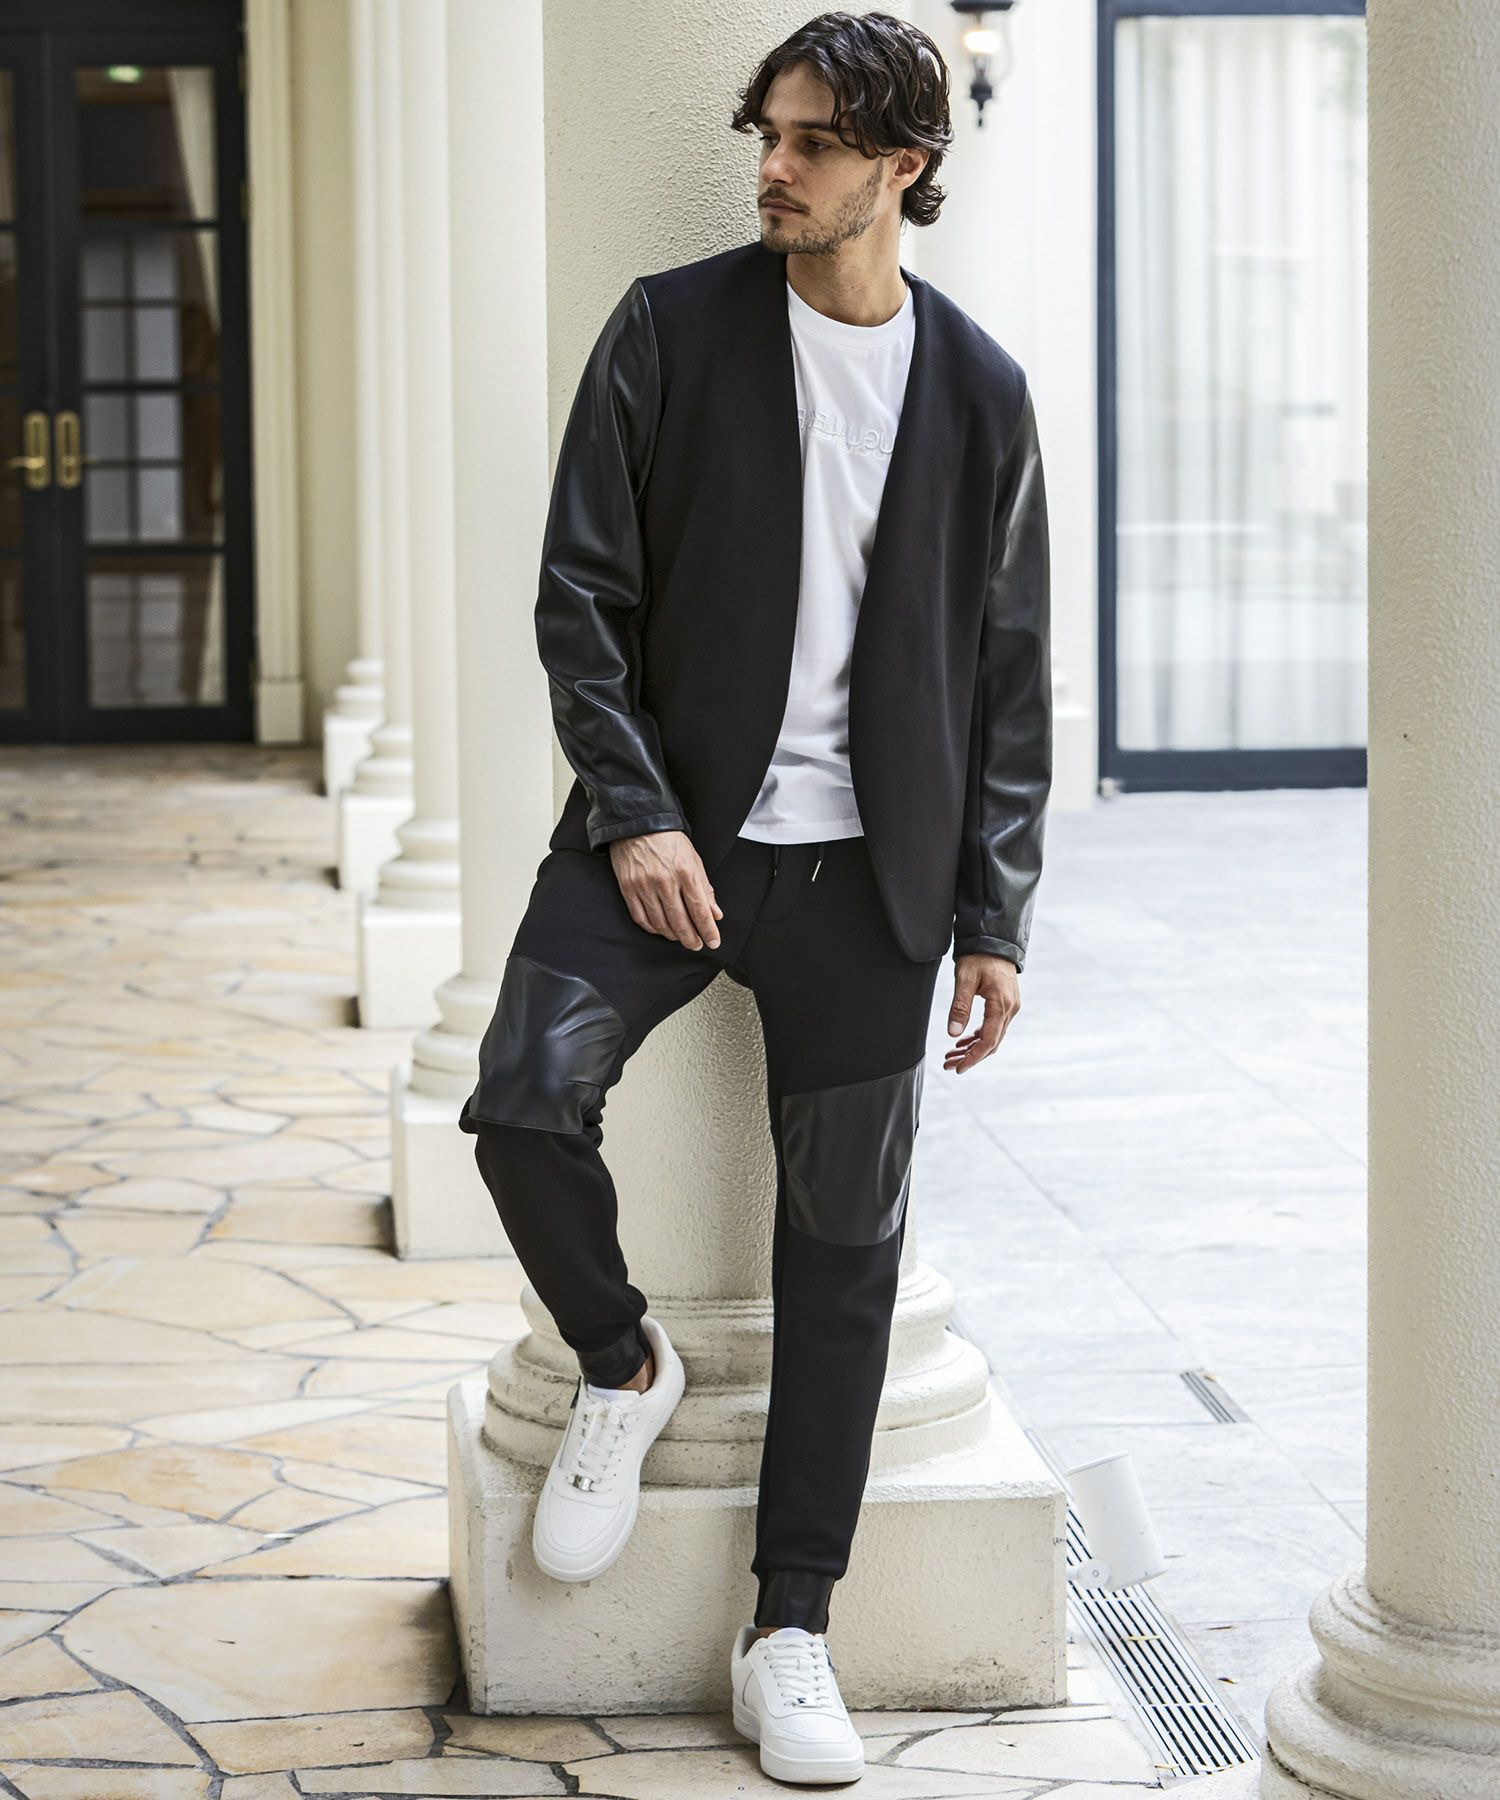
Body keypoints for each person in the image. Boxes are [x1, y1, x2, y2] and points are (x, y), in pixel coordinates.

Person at [461, 10, 1051, 1785]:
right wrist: (637, 816)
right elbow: (580, 599)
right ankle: (622, 1365)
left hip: (873, 892)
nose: (774, 171)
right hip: (656, 850)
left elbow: (1009, 678)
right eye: (767, 137)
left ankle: (792, 1624)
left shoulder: (980, 391)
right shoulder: (671, 329)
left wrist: (995, 917)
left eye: (812, 145)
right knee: (521, 1100)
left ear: (902, 167)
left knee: (844, 1257)